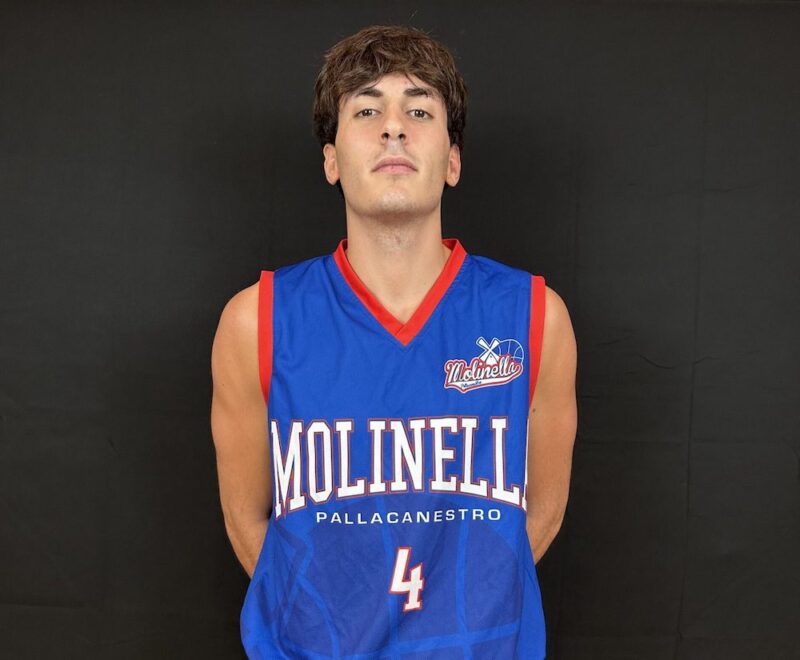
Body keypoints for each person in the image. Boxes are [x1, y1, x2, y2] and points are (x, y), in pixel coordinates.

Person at [210, 24, 577, 659]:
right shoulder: (256, 321)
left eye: (419, 111)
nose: (394, 129)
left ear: (453, 160)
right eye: (367, 110)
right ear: (331, 160)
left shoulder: (534, 315)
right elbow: (249, 524)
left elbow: (538, 514)